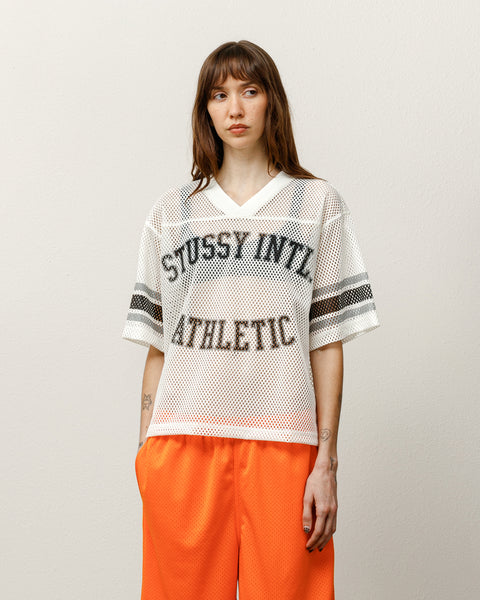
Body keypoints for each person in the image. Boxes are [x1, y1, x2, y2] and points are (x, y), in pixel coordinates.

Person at [122, 39, 380, 600]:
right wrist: (145, 451)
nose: (234, 109)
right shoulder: (171, 213)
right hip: (183, 443)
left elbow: (326, 342)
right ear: (205, 110)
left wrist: (326, 462)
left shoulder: (316, 204)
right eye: (219, 95)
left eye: (249, 91)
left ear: (271, 102)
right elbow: (158, 346)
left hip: (282, 441)